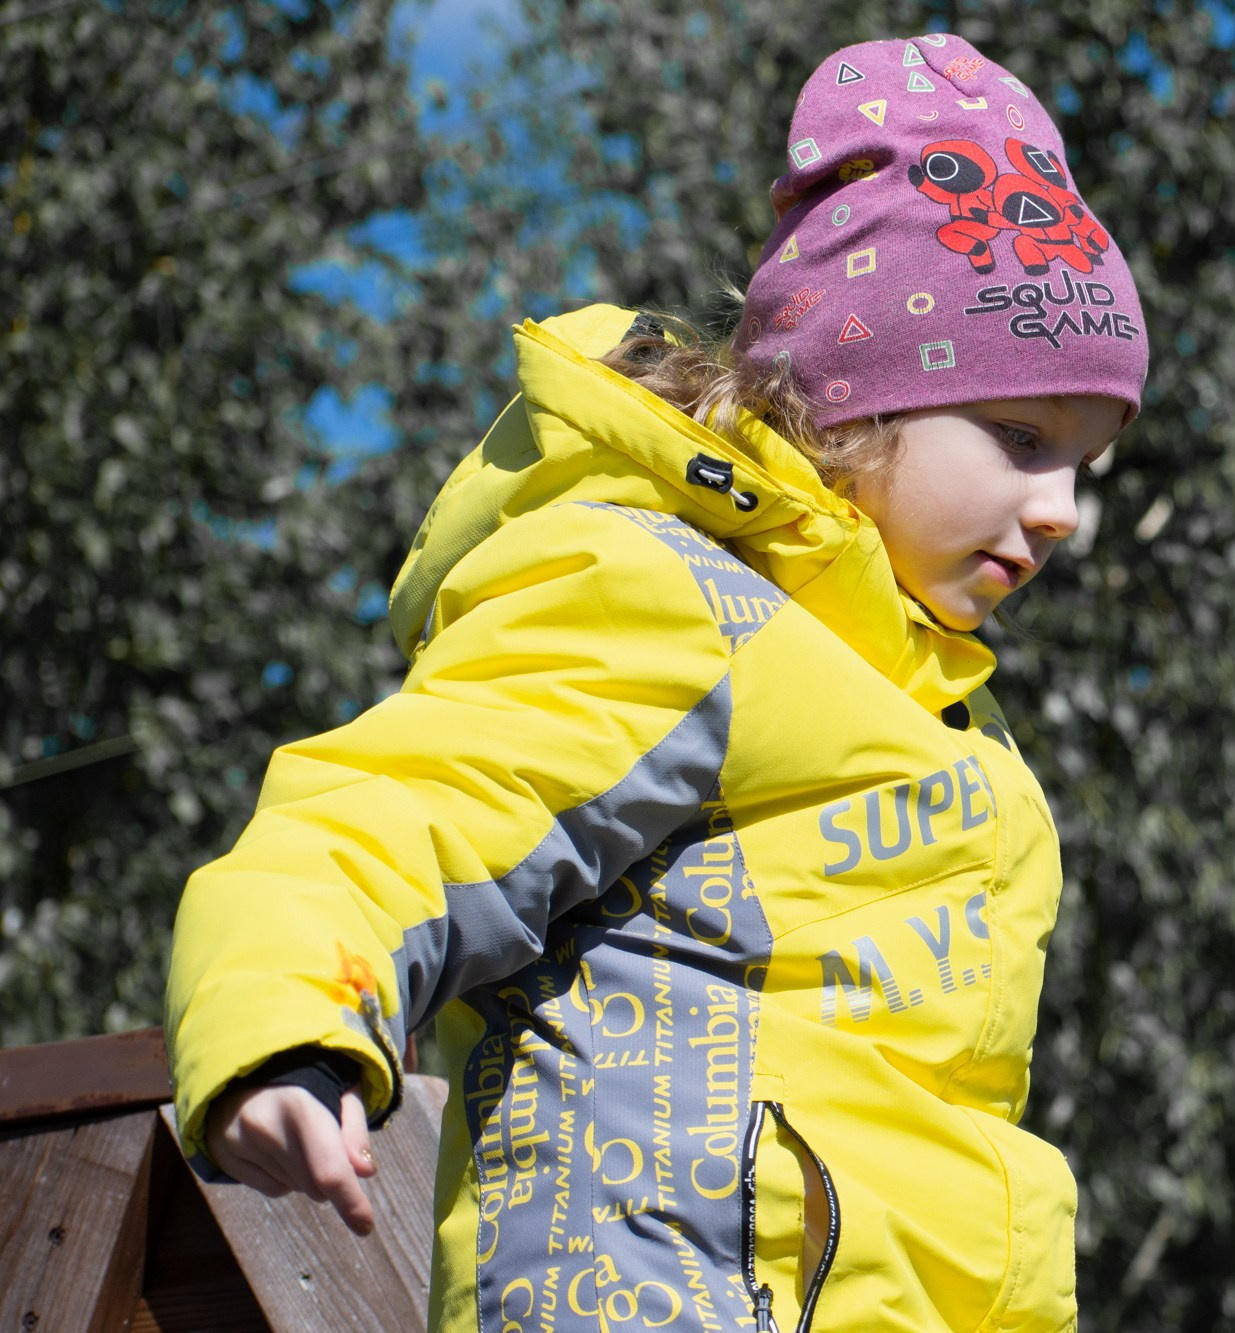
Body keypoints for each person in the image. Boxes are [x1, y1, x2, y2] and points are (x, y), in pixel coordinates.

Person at [165, 30, 1147, 1333]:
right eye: (1023, 438)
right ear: (850, 406)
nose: (1062, 509)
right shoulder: (674, 598)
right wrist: (287, 1016)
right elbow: (404, 801)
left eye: (1086, 462)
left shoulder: (954, 724)